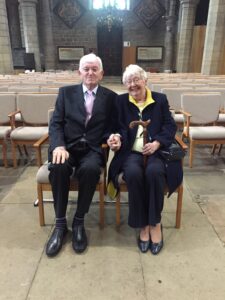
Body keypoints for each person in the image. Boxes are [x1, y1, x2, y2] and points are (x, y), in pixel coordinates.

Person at [46, 53, 117, 257]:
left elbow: (110, 126)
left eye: (95, 69)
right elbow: (56, 123)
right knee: (59, 167)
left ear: (101, 74)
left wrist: (112, 136)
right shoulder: (66, 93)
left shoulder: (110, 97)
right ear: (79, 72)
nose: (90, 72)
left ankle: (78, 221)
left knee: (91, 169)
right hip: (66, 146)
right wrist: (58, 145)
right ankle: (60, 224)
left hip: (92, 149)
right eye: (86, 69)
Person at [107, 64, 183, 255]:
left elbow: (169, 126)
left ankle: (155, 223)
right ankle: (142, 225)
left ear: (145, 80)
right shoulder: (121, 101)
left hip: (156, 153)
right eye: (128, 82)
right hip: (131, 152)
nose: (133, 85)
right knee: (132, 173)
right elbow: (114, 126)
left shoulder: (160, 99)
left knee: (154, 172)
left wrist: (157, 143)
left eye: (136, 80)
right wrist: (116, 138)